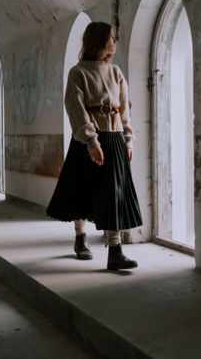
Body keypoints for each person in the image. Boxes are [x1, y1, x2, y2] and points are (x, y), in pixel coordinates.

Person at [46, 21, 142, 271]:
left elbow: (124, 108)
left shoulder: (116, 72)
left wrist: (128, 139)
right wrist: (91, 141)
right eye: (111, 37)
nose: (115, 41)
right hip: (87, 140)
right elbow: (76, 109)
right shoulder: (78, 72)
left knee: (115, 194)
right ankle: (80, 238)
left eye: (115, 36)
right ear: (98, 39)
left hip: (115, 138)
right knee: (81, 190)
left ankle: (115, 251)